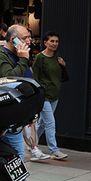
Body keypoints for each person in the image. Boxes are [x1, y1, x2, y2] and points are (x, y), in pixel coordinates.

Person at [0, 24, 47, 181]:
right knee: (16, 156)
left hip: (14, 115)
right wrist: (22, 60)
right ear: (14, 40)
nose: (29, 41)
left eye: (29, 37)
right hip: (1, 116)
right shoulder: (0, 56)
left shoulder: (20, 57)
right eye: (26, 37)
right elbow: (10, 79)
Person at [32, 32, 68, 160]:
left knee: (42, 123)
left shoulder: (57, 58)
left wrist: (63, 66)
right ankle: (54, 150)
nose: (54, 44)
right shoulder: (40, 58)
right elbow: (34, 77)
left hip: (55, 94)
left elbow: (61, 77)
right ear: (45, 42)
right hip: (44, 95)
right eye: (52, 41)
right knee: (50, 122)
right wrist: (40, 90)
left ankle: (31, 145)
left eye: (56, 41)